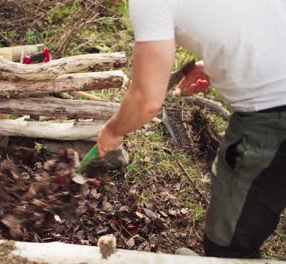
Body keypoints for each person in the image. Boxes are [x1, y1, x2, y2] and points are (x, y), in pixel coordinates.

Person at [97, 0, 286, 259]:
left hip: (272, 120)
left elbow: (147, 101)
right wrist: (213, 64)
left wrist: (113, 130)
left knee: (229, 244)